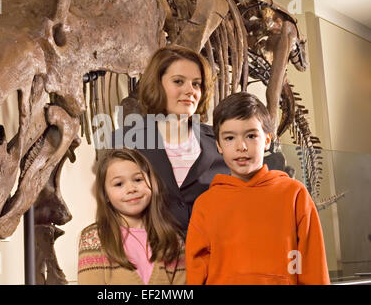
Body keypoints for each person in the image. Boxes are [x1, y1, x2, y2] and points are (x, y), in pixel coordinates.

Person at [185, 92, 330, 285]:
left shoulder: (295, 194)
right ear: (218, 145)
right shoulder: (205, 204)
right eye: (229, 138)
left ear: (268, 140)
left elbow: (313, 265)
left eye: (251, 135)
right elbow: (197, 271)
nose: (241, 146)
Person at [112, 45, 229, 234]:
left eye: (196, 83)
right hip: (150, 258)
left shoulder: (222, 141)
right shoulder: (126, 141)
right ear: (157, 84)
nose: (190, 90)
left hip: (213, 258)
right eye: (178, 81)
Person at [78, 148, 186, 285]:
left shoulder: (173, 239)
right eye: (119, 184)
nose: (131, 189)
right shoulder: (94, 238)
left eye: (138, 179)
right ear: (105, 195)